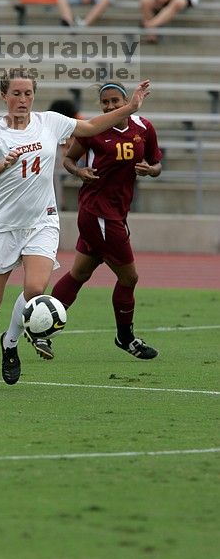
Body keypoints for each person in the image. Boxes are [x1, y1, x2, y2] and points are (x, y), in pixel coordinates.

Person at [0, 68, 152, 389]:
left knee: (36, 291)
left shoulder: (49, 121)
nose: (22, 100)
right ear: (3, 96)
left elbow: (91, 126)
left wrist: (130, 108)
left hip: (42, 221)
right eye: (16, 94)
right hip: (3, 225)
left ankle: (10, 343)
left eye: (28, 94)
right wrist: (2, 163)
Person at [51, 81, 162, 360]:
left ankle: (41, 328)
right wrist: (79, 171)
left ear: (125, 100)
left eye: (115, 101)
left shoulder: (144, 128)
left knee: (80, 274)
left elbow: (157, 164)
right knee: (130, 276)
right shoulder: (94, 128)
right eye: (106, 102)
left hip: (117, 212)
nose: (111, 106)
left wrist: (151, 171)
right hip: (97, 213)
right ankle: (125, 338)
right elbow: (68, 159)